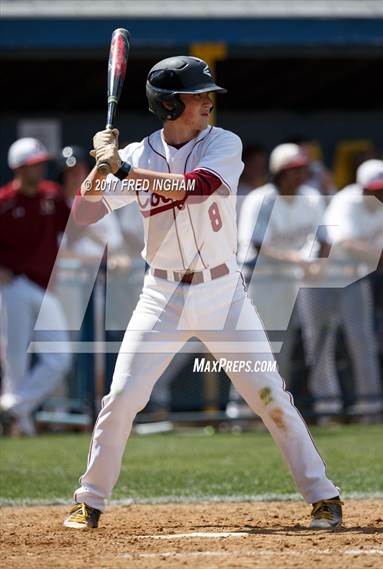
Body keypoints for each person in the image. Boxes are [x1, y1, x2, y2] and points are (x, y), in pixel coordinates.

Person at [63, 56, 342, 530]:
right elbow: (86, 213)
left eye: (207, 93)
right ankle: (88, 500)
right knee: (123, 396)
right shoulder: (139, 152)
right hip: (161, 294)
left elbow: (197, 187)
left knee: (269, 395)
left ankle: (323, 496)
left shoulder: (223, 144)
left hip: (223, 294)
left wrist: (124, 169)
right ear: (169, 105)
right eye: (197, 95)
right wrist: (99, 166)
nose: (208, 101)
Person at [303, 159, 383, 420]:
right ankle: (327, 410)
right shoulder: (346, 201)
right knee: (320, 343)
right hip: (319, 278)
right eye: (376, 189)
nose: (382, 194)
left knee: (362, 340)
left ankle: (370, 408)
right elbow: (345, 246)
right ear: (362, 188)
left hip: (353, 276)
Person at [227, 143, 325, 418]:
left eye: (304, 169)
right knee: (251, 348)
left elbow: (322, 240)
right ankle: (240, 413)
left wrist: (318, 264)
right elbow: (257, 246)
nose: (301, 174)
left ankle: (275, 411)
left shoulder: (311, 197)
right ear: (280, 172)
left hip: (290, 283)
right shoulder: (262, 198)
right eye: (295, 169)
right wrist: (298, 260)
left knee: (282, 348)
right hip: (258, 280)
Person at [0, 138, 71, 436]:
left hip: (45, 287)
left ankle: (12, 409)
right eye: (33, 164)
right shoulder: (4, 201)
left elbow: (72, 230)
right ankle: (21, 425)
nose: (40, 168)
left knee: (60, 358)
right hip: (12, 286)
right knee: (15, 360)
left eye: (41, 163)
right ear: (19, 168)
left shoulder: (52, 196)